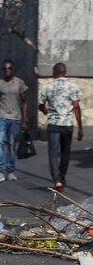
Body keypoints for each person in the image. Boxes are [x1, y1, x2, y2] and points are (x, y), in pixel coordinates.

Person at [39, 61, 83, 190]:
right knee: (65, 153)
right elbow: (76, 106)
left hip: (53, 123)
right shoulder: (73, 86)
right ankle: (62, 177)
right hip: (67, 123)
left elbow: (41, 105)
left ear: (54, 73)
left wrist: (45, 111)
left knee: (53, 153)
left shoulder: (47, 87)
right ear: (65, 72)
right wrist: (80, 128)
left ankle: (57, 179)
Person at [0, 59, 29, 183]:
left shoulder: (19, 83)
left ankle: (11, 171)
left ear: (13, 69)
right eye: (5, 68)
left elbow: (24, 102)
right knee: (0, 143)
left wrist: (25, 120)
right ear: (2, 70)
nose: (7, 70)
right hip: (1, 118)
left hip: (15, 118)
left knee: (12, 145)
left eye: (9, 68)